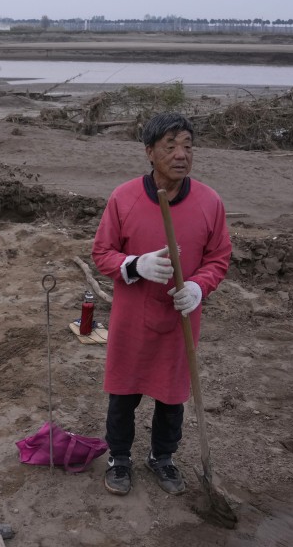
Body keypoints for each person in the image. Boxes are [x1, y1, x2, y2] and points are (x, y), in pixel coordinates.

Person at [91, 112, 231, 496]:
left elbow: (219, 258)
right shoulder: (124, 198)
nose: (181, 155)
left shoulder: (209, 202)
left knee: (172, 394)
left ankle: (162, 457)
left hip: (180, 317)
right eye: (170, 147)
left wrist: (199, 288)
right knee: (123, 391)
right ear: (149, 152)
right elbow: (102, 252)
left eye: (187, 146)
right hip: (132, 316)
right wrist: (135, 265)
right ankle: (119, 458)